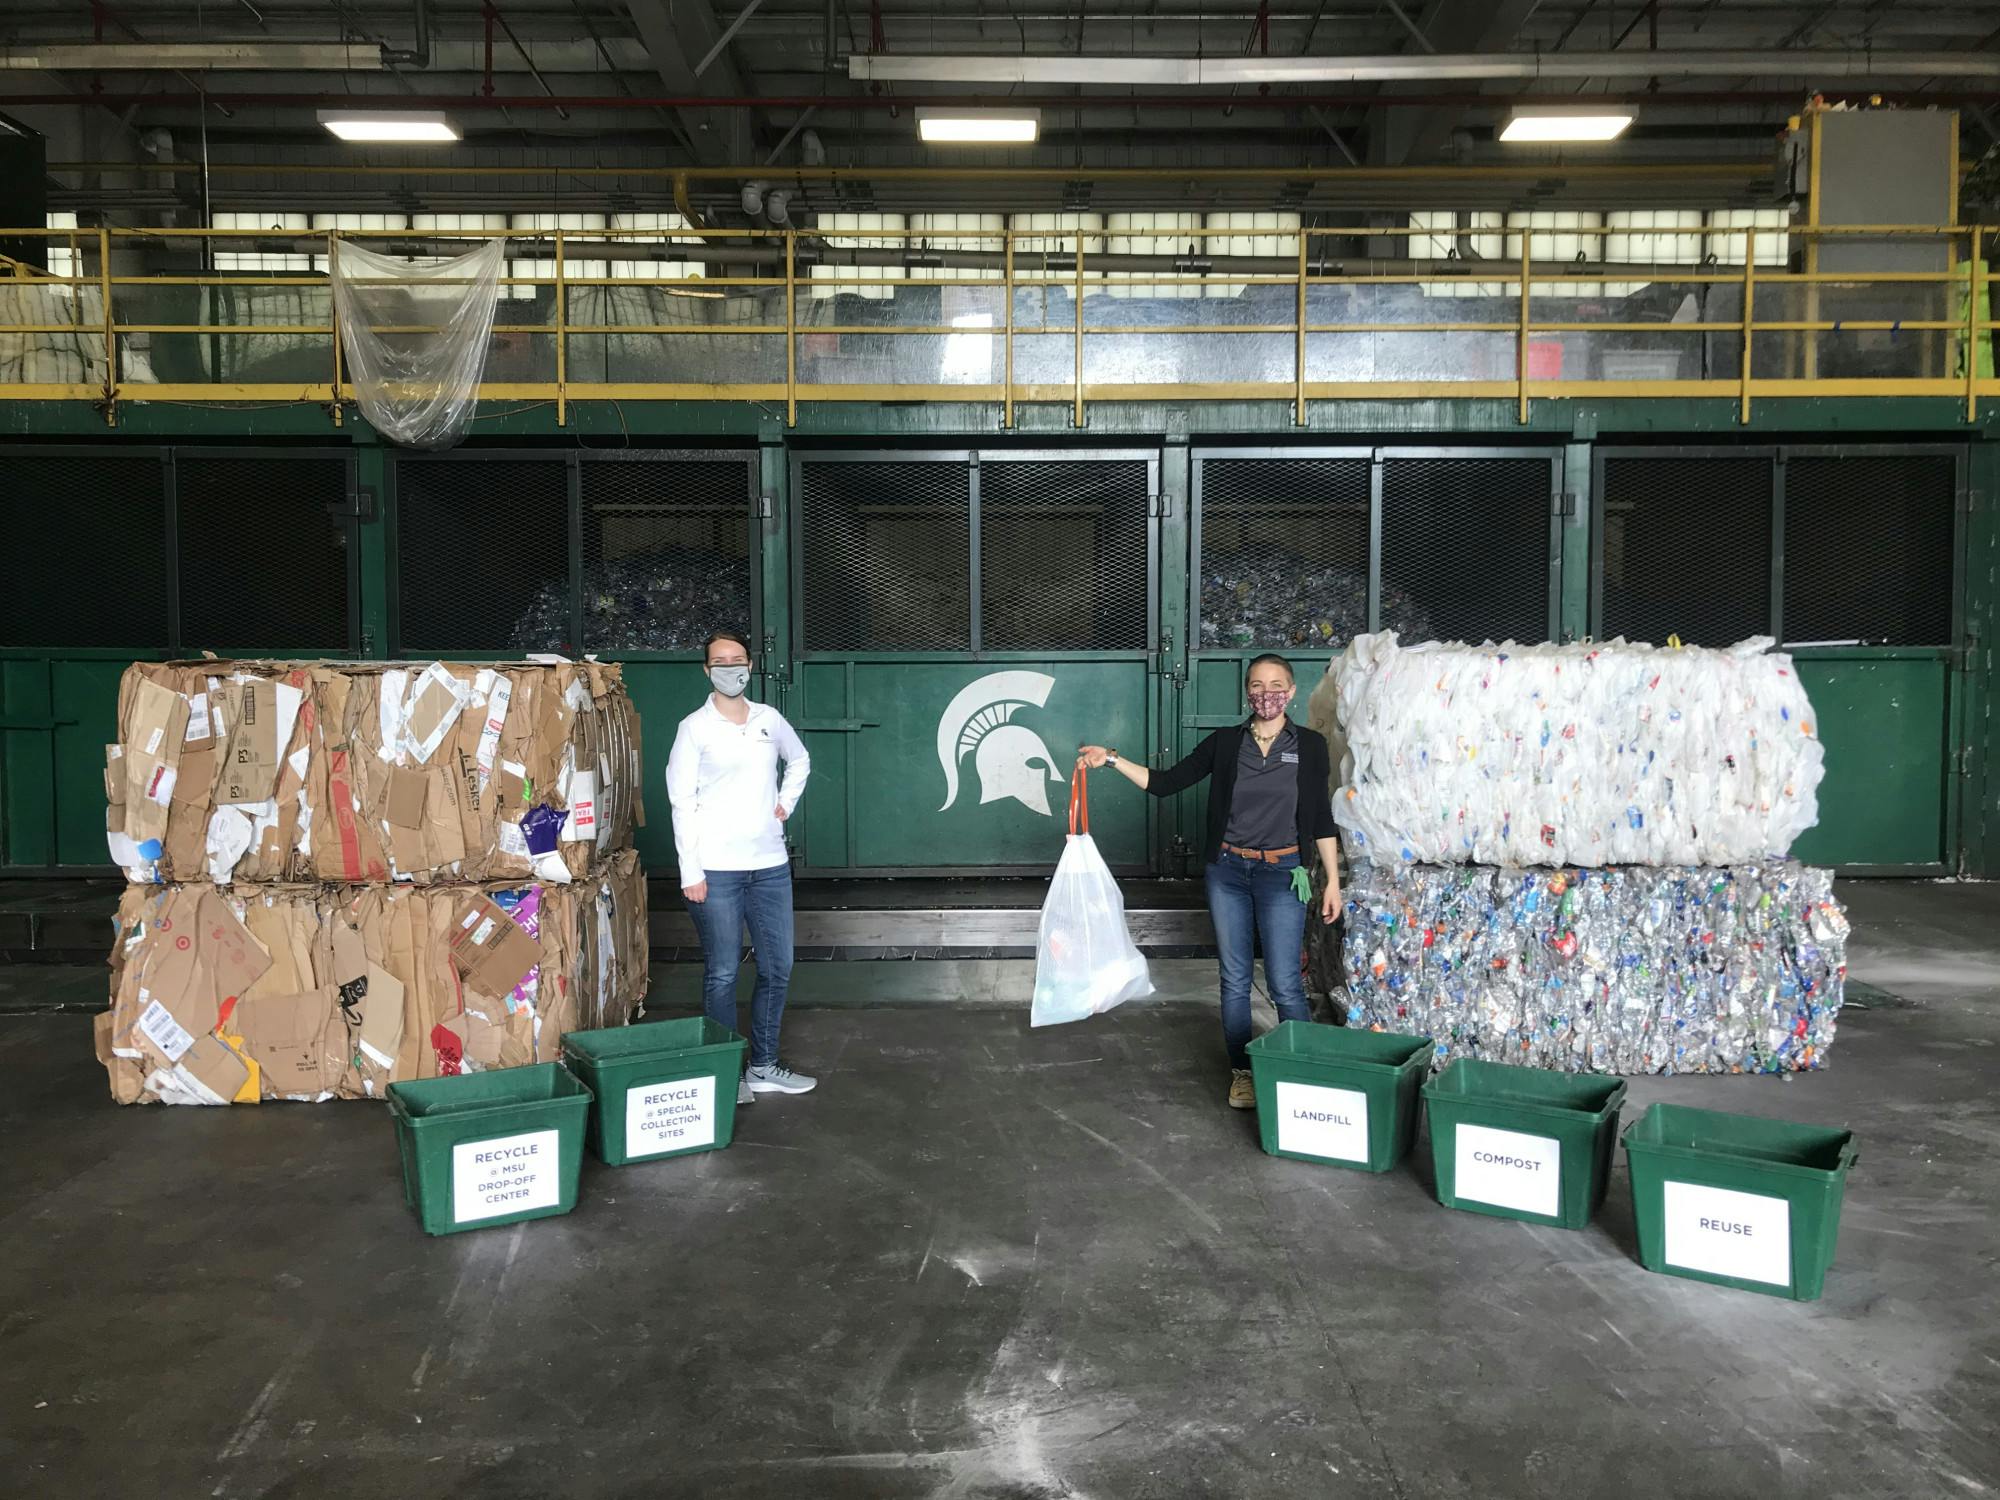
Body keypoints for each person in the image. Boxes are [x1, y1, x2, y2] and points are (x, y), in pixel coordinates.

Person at [1077, 653, 1342, 1111]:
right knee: (1235, 978)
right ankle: (1244, 1073)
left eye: (1276, 684)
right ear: (1247, 692)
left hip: (1283, 874)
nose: (1266, 693)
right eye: (1257, 685)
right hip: (1229, 873)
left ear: (1293, 691)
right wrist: (1110, 759)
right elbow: (1164, 783)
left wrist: (1332, 880)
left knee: (1284, 983)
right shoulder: (1224, 744)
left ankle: (1304, 1073)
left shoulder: (1312, 747)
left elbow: (1320, 818)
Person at [666, 629, 817, 1105]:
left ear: (749, 666)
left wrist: (785, 803)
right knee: (723, 972)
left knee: (778, 966)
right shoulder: (695, 728)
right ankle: (725, 1073)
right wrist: (691, 870)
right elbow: (680, 800)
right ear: (706, 671)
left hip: (769, 866)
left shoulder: (769, 719)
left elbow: (800, 760)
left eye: (739, 660)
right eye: (721, 661)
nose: (732, 668)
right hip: (717, 870)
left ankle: (764, 1065)